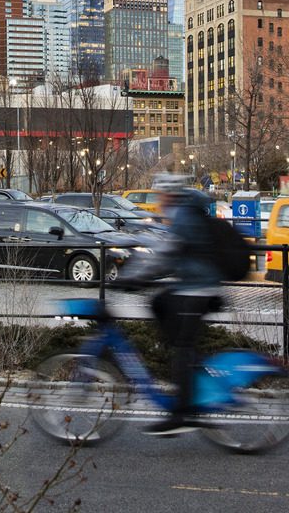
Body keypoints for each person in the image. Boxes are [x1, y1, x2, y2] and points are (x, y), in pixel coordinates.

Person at [118, 173, 223, 436]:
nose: (158, 200)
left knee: (182, 347)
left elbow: (166, 255)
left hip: (200, 289)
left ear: (169, 195)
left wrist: (136, 277)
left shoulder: (183, 216)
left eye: (159, 195)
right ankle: (190, 368)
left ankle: (182, 413)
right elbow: (166, 251)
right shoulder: (181, 214)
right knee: (159, 303)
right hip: (192, 285)